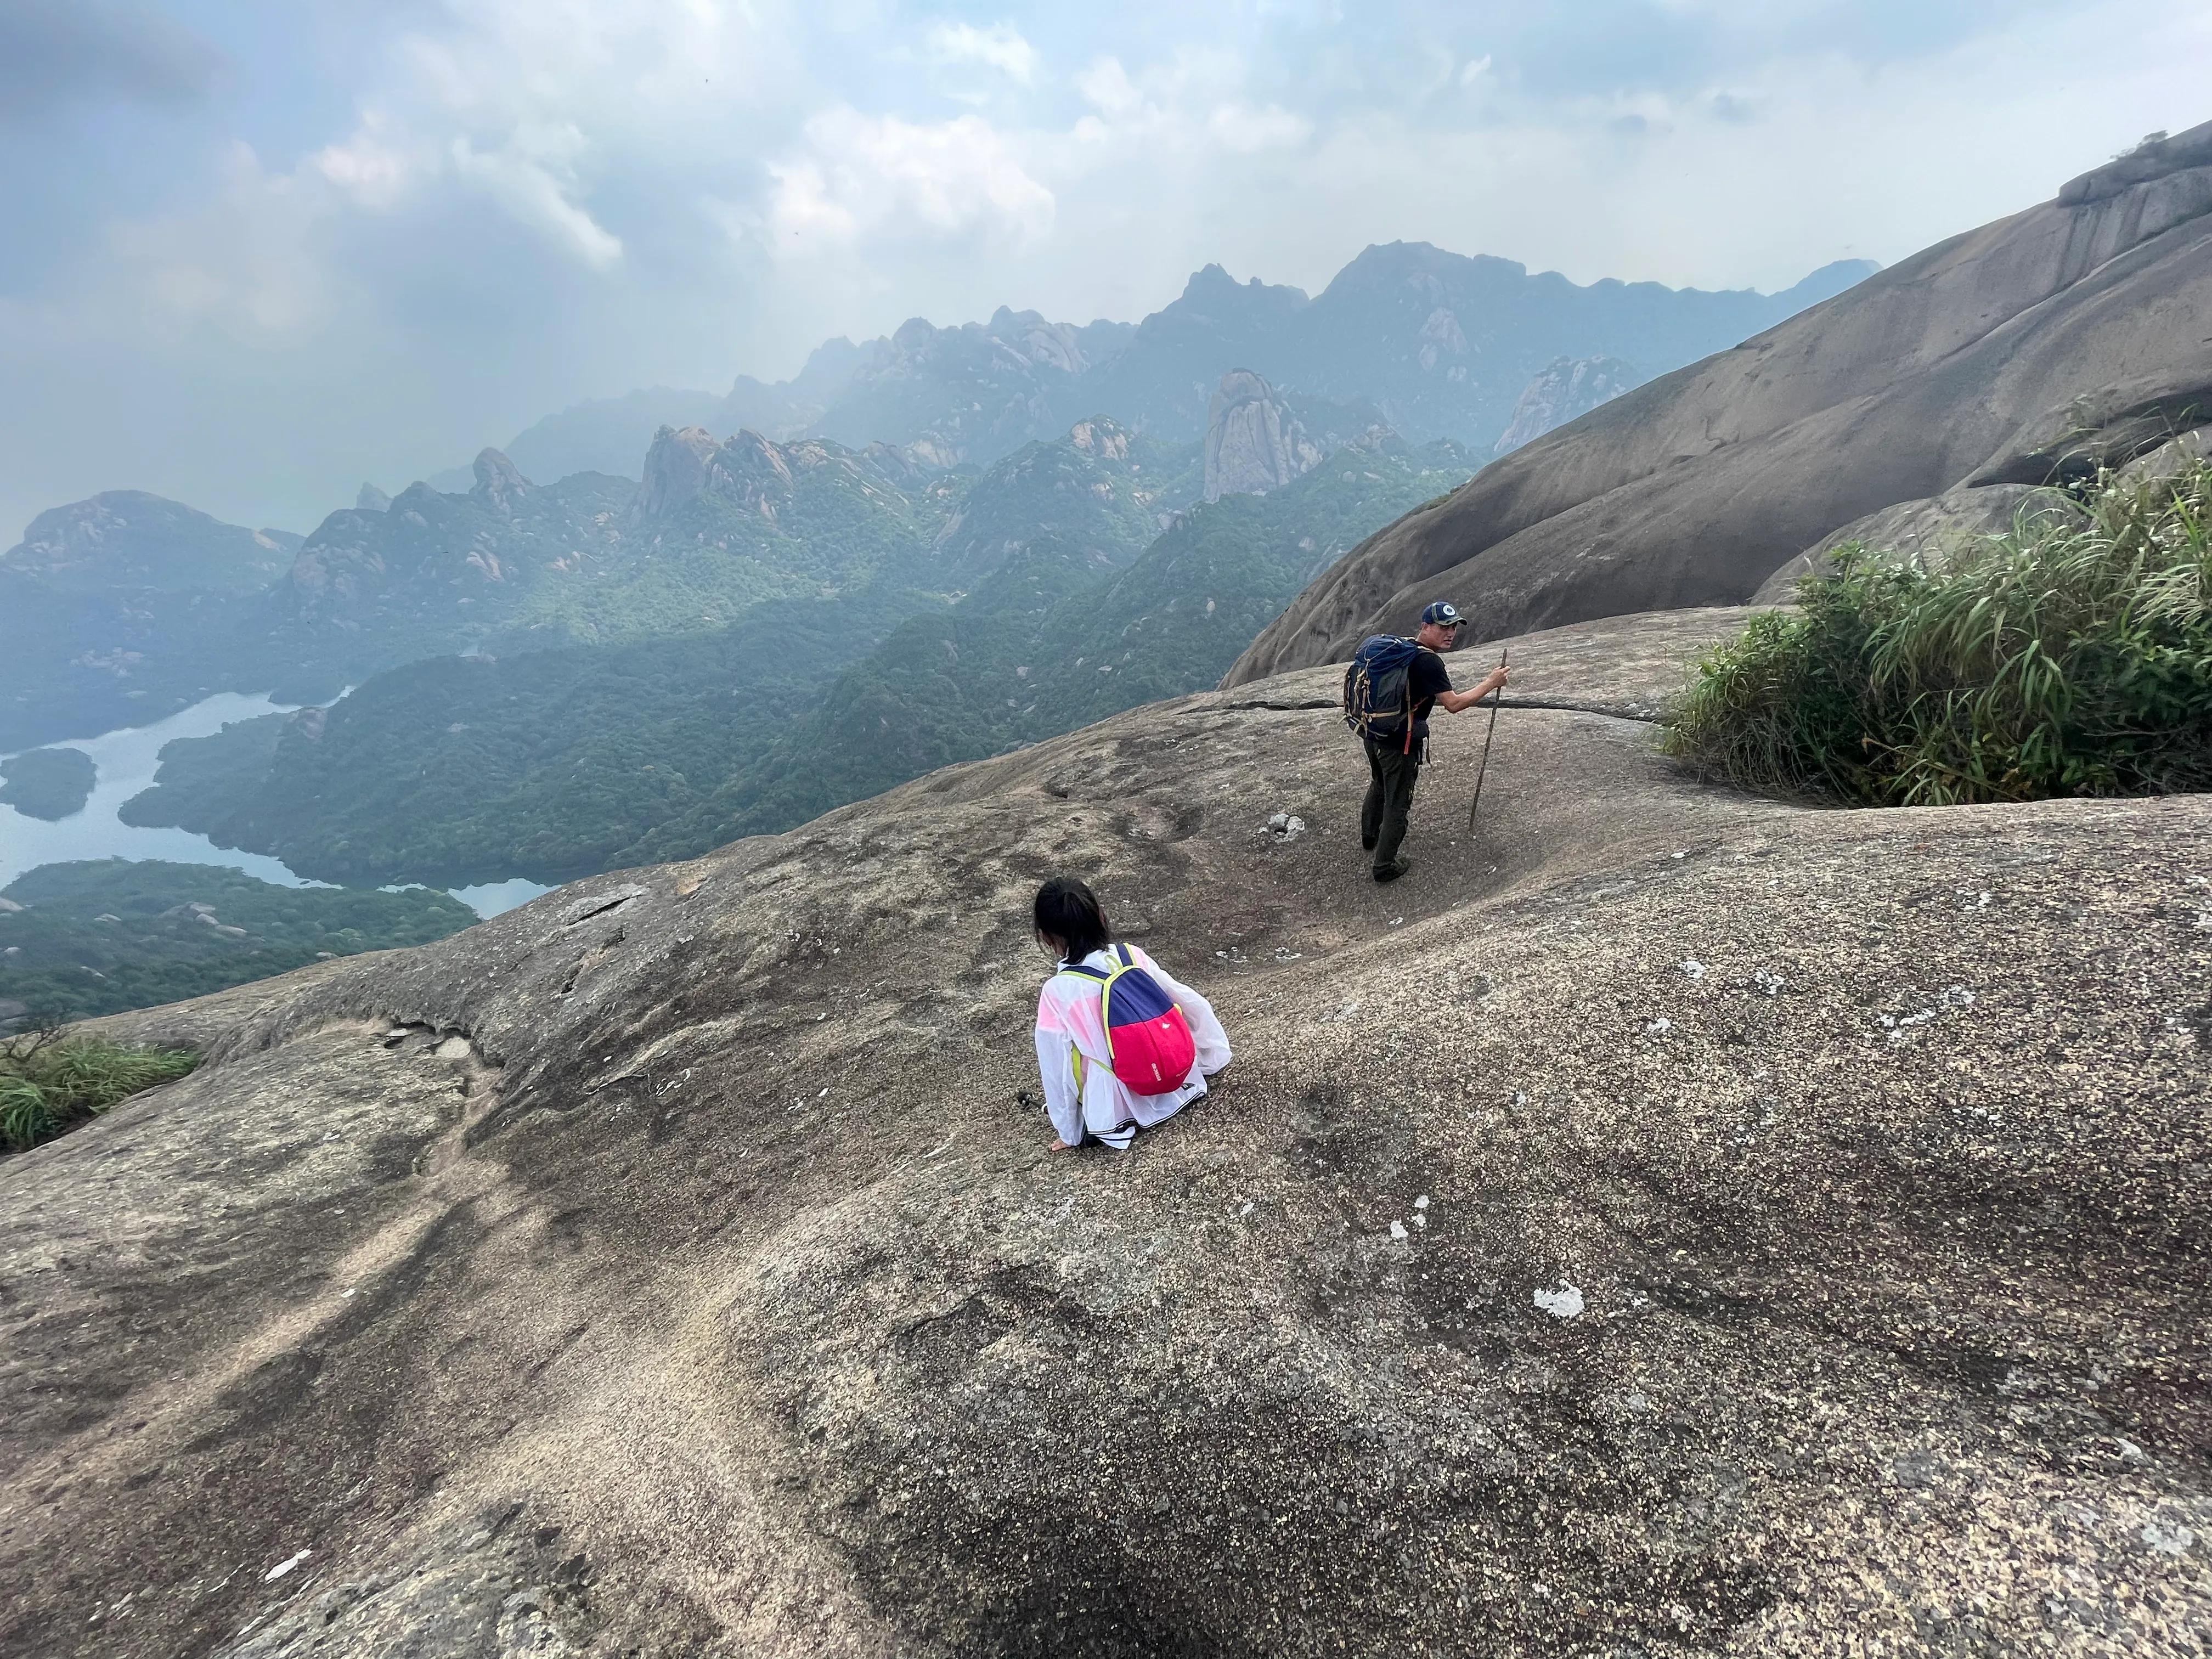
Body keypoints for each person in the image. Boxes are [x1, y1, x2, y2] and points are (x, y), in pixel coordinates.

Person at [1030, 875, 1231, 1151]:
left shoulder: (1057, 992)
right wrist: (1211, 1058)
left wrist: (1070, 1133)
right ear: (1101, 917)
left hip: (1119, 1106)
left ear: (1046, 936)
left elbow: (1055, 1067)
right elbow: (1190, 1002)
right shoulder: (1131, 956)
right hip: (1177, 1078)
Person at [1361, 600, 1510, 883]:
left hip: (1374, 731)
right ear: (1425, 627)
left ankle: (1369, 837)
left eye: (1454, 626)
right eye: (1443, 627)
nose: (1450, 632)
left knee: (1379, 782)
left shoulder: (1402, 649)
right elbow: (1453, 704)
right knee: (1398, 802)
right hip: (1398, 741)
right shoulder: (1428, 661)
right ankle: (1384, 866)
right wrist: (1491, 683)